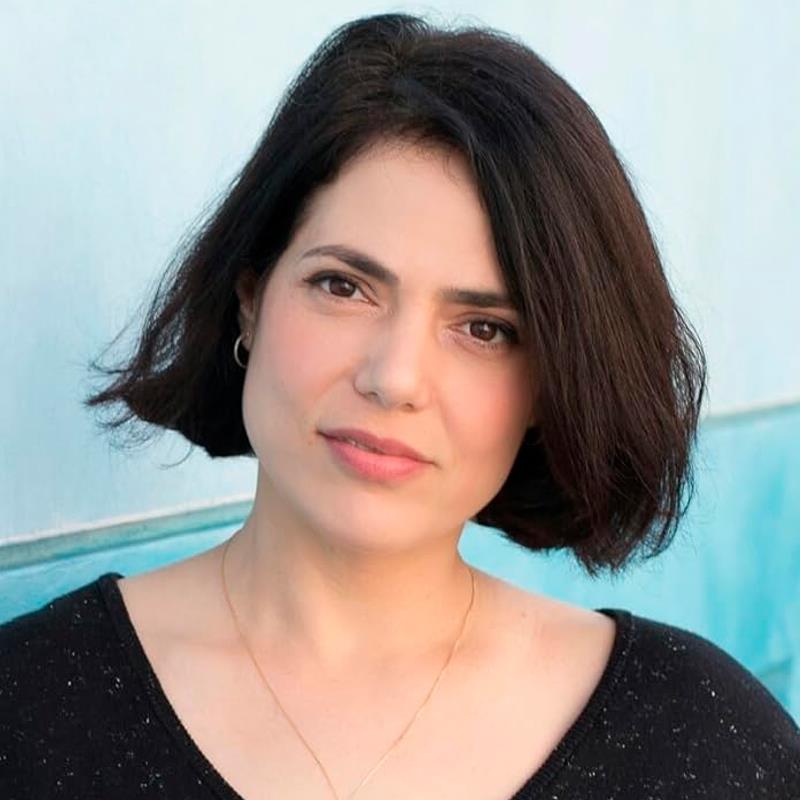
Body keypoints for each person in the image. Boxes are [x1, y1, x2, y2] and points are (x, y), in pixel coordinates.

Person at [1, 11, 798, 799]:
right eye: (343, 286)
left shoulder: (701, 740)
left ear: (550, 385)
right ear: (250, 301)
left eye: (485, 329)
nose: (396, 378)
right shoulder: (27, 708)